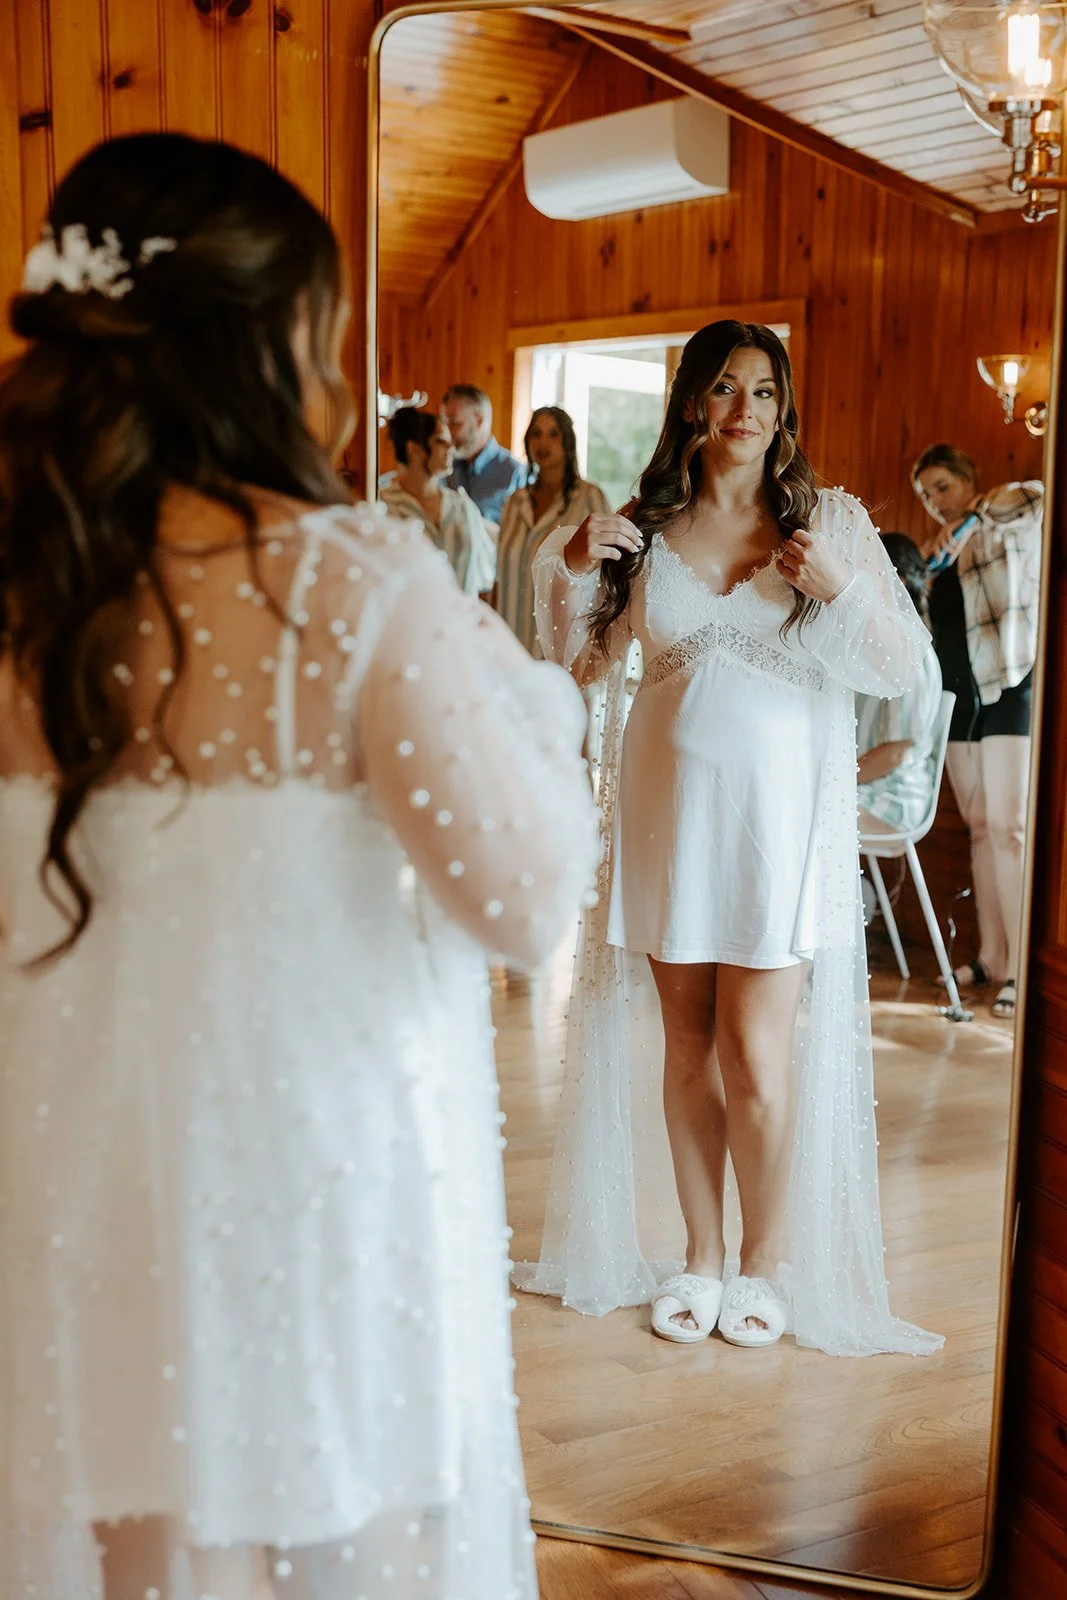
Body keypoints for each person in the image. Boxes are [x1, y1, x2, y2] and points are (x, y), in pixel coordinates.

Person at [0, 132, 599, 1600]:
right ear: (268, 342)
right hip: (303, 1222)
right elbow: (524, 906)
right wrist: (528, 691)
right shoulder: (352, 585)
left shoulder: (26, 574)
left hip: (61, 1201)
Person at [512, 320, 943, 1360]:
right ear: (691, 408)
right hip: (666, 822)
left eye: (761, 391)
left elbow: (906, 674)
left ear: (781, 410)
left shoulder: (828, 521)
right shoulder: (642, 527)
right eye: (722, 389)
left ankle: (766, 1260)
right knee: (688, 1044)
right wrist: (566, 567)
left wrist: (837, 587)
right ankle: (699, 1257)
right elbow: (567, 666)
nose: (743, 409)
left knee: (755, 1053)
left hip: (774, 834)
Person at [911, 443, 1043, 1019]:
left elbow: (1038, 497)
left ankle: (1021, 969)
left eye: (941, 487)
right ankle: (990, 957)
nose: (934, 502)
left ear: (967, 479)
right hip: (959, 700)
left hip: (1011, 686)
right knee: (982, 830)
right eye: (925, 495)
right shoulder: (940, 556)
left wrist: (967, 520)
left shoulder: (1003, 518)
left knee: (1011, 829)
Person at [495, 406, 610, 656]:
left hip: (563, 652)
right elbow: (499, 577)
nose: (543, 442)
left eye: (553, 434)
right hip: (509, 646)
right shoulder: (515, 503)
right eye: (536, 433)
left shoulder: (589, 499)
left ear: (567, 440)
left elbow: (608, 578)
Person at [856, 533, 944, 836]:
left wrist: (835, 779)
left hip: (894, 796)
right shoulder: (871, 646)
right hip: (865, 786)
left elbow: (896, 753)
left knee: (798, 810)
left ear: (900, 581)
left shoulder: (910, 654)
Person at [380, 405, 496, 597]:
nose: (451, 448)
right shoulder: (384, 506)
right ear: (414, 449)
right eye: (441, 441)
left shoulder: (462, 507)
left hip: (460, 622)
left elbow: (485, 576)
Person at [442, 383, 525, 528]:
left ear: (479, 421)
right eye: (445, 424)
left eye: (455, 423)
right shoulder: (444, 467)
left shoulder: (515, 474)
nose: (448, 433)